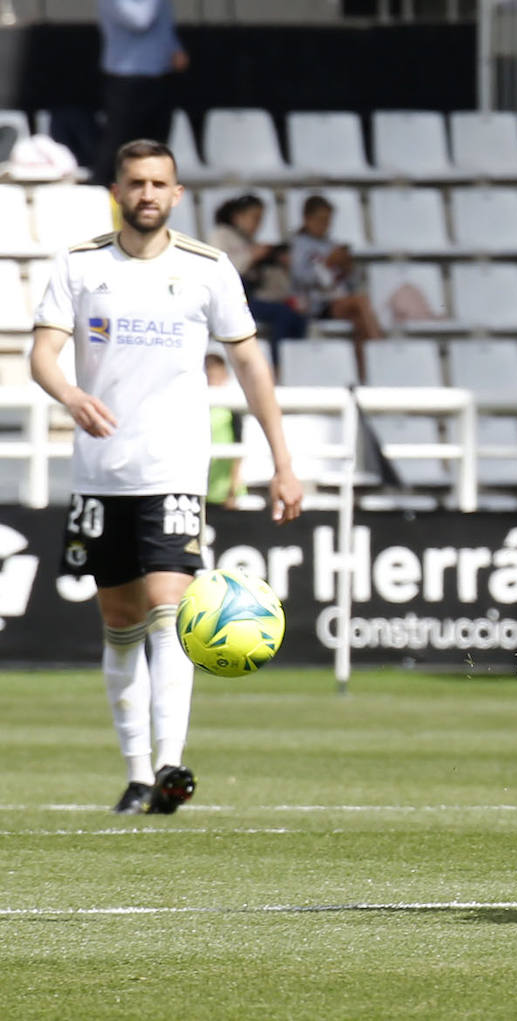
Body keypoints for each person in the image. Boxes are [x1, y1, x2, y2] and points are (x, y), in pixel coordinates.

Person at [29, 139, 303, 815]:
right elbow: (42, 355)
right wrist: (70, 396)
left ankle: (172, 766)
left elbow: (250, 364)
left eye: (159, 183)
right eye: (136, 182)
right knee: (119, 622)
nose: (147, 193)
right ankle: (136, 771)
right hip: (100, 474)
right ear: (117, 192)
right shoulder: (80, 264)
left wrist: (282, 460)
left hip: (174, 471)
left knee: (169, 612)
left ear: (177, 195)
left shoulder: (207, 269)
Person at [287, 194, 384, 378]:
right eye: (320, 220)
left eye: (328, 221)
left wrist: (347, 267)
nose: (325, 225)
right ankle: (380, 353)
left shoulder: (332, 244)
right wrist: (329, 263)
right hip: (315, 303)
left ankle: (364, 372)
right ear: (307, 219)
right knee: (361, 302)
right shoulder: (298, 246)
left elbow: (350, 283)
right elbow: (299, 278)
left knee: (359, 320)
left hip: (337, 299)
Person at [93, 0, 188, 186]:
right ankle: (105, 195)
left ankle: (150, 192)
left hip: (159, 73)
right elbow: (140, 20)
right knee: (120, 143)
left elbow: (164, 23)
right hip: (127, 75)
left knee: (156, 145)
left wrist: (175, 48)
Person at [208, 194, 306, 363]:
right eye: (254, 217)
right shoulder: (220, 236)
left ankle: (294, 364)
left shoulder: (249, 241)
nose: (257, 224)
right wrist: (253, 256)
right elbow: (222, 270)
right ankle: (277, 364)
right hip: (230, 300)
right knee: (282, 314)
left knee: (297, 316)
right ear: (238, 216)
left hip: (253, 297)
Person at [204, 352, 245, 508]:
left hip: (225, 491)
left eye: (216, 376)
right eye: (209, 376)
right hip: (199, 487)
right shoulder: (193, 406)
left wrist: (233, 487)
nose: (213, 381)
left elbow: (239, 445)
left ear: (225, 376)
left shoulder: (232, 406)